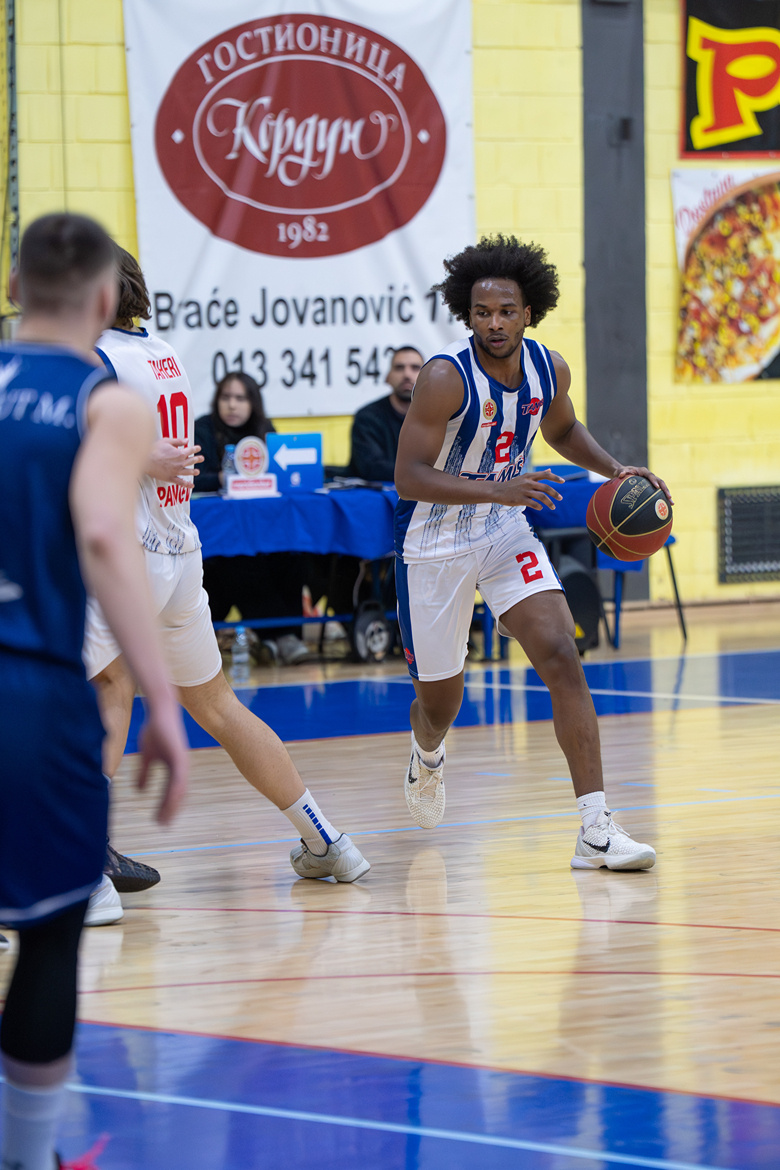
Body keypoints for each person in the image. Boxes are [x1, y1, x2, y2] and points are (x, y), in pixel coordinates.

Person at [85, 247, 370, 899]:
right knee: (216, 704)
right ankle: (326, 839)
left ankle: (83, 868)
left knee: (104, 690)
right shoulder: (161, 352)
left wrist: (136, 456)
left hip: (130, 557)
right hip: (178, 557)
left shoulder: (95, 360)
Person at [0, 212, 189, 1170]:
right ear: (109, 299)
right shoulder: (103, 401)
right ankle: (27, 1156)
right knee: (48, 933)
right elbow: (107, 537)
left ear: (14, 288)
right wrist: (161, 700)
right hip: (28, 690)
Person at [394, 235, 672, 871]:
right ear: (467, 314)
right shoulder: (444, 378)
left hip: (503, 528)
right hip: (434, 541)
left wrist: (615, 470)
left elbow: (562, 428)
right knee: (440, 704)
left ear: (528, 312)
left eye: (506, 311)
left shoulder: (550, 369)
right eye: (482, 312)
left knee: (560, 652)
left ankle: (595, 830)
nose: (494, 323)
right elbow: (408, 477)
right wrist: (500, 486)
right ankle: (427, 752)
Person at [195, 373, 309, 666]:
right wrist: (222, 479)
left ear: (253, 403)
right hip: (218, 536)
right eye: (226, 397)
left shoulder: (265, 431)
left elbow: (278, 477)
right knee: (239, 560)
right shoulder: (202, 429)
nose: (232, 405)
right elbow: (192, 478)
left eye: (240, 398)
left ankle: (278, 637)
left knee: (291, 556)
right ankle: (281, 637)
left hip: (263, 528)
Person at [348, 346, 423, 481]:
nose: (407, 374)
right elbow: (371, 468)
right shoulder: (367, 418)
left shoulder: (440, 418)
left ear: (428, 378)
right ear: (387, 377)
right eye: (399, 368)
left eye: (415, 368)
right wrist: (424, 474)